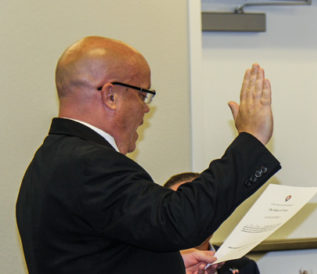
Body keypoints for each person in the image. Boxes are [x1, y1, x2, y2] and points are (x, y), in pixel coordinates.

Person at [15, 36, 280, 274]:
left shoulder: (49, 161)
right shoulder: (88, 163)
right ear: (110, 96)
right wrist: (251, 139)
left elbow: (101, 257)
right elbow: (178, 220)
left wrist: (171, 265)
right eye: (143, 94)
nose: (145, 110)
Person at [164, 172, 261, 274]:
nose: (195, 216)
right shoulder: (151, 264)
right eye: (185, 208)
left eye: (203, 206)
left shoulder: (243, 266)